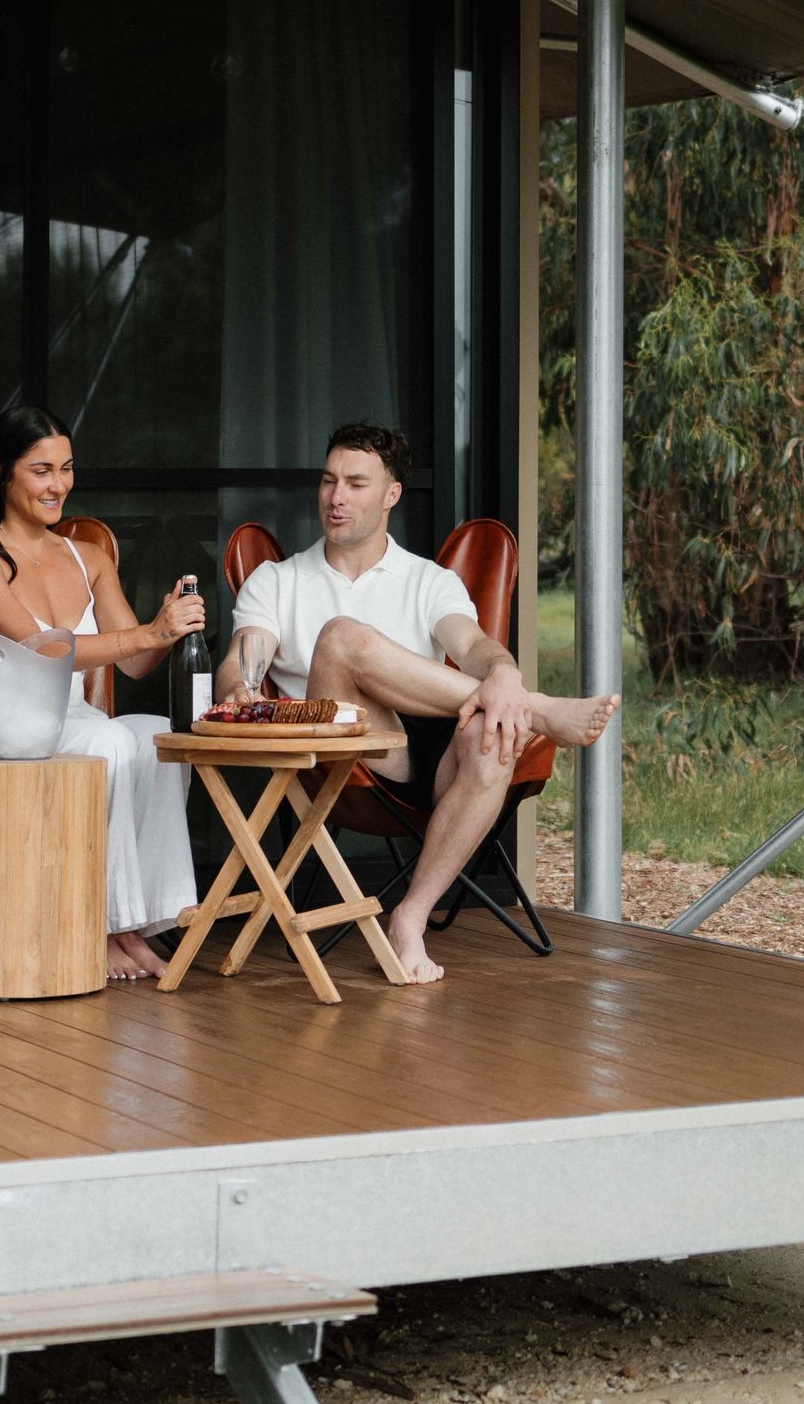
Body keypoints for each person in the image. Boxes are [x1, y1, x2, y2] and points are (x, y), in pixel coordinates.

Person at [220, 421, 617, 987]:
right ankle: (538, 708)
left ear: (391, 495)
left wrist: (502, 672)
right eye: (330, 481)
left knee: (495, 735)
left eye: (357, 484)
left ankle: (410, 915)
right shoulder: (276, 580)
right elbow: (242, 660)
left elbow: (473, 645)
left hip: (431, 749)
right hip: (347, 757)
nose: (337, 497)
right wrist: (236, 686)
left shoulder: (429, 580)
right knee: (340, 638)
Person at [0, 406, 202, 981]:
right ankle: (105, 926)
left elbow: (133, 662)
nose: (59, 485)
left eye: (67, 469)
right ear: (1, 472)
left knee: (157, 737)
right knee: (107, 739)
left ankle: (150, 918)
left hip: (69, 719)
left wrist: (167, 626)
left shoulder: (88, 557)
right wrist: (146, 632)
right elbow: (47, 653)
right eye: (42, 470)